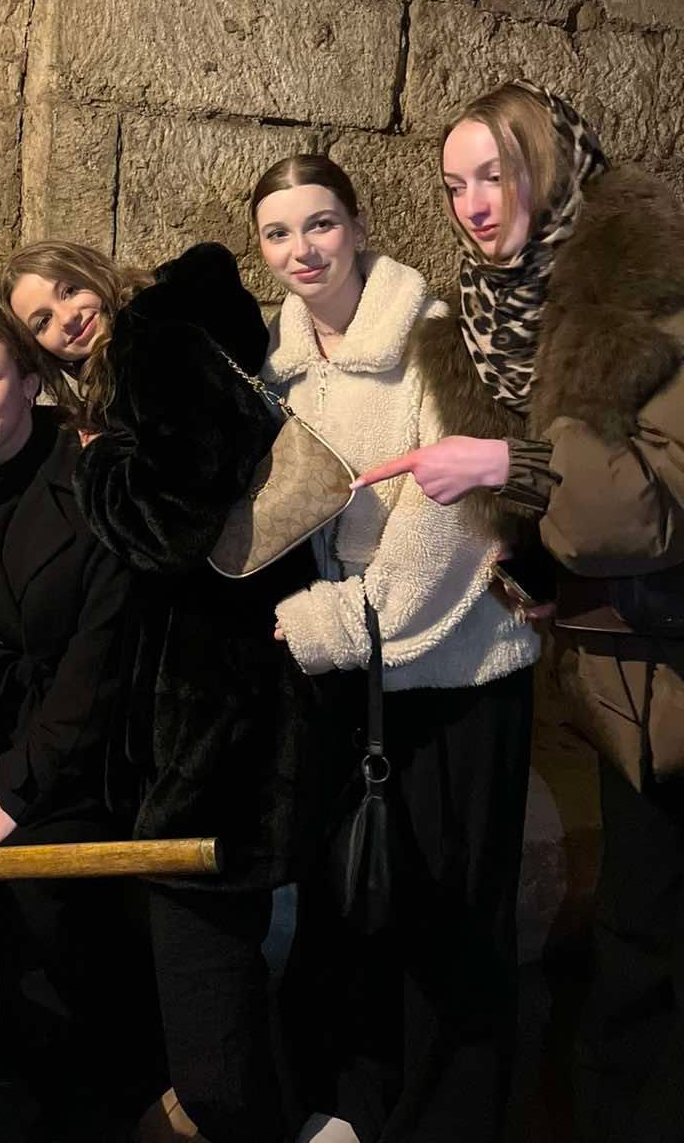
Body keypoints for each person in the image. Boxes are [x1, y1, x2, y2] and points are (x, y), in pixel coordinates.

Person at [353, 81, 684, 1143]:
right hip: (624, 686)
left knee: (649, 963)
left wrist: (509, 462)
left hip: (674, 664)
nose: (474, 205)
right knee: (636, 950)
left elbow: (654, 508)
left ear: (550, 162)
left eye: (494, 174)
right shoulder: (488, 324)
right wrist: (518, 559)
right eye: (455, 185)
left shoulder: (652, 296)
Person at [1, 240, 317, 1143]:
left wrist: (99, 463)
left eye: (68, 291)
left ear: (95, 274)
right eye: (41, 320)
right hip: (229, 700)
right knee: (222, 960)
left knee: (202, 955)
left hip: (218, 712)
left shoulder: (150, 345)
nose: (66, 318)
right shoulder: (152, 353)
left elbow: (169, 525)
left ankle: (232, 1115)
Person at [250, 153, 539, 1143]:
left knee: (453, 915)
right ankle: (357, 1100)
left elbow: (448, 525)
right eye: (279, 232)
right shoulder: (277, 363)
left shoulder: (435, 343)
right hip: (352, 682)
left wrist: (333, 622)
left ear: (359, 226)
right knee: (356, 898)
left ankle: (445, 1119)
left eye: (320, 224)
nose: (302, 249)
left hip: (455, 674)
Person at [0, 305, 169, 1139]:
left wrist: (14, 797)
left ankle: (85, 1111)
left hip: (92, 754)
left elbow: (98, 668)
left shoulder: (93, 479)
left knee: (43, 908)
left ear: (31, 382)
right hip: (1, 739)